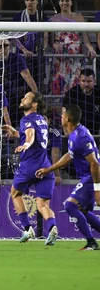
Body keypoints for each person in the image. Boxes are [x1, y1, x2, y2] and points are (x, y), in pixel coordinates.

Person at [36, 105, 100, 251]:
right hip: (88, 176)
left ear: (68, 118)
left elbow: (95, 165)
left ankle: (91, 242)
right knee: (83, 211)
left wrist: (97, 190)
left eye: (63, 114)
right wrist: (49, 169)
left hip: (91, 177)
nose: (61, 116)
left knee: (70, 206)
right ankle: (92, 242)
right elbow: (69, 156)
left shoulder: (80, 137)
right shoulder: (75, 134)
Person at [2, 92, 57, 244]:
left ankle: (27, 229)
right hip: (45, 166)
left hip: (29, 166)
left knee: (15, 193)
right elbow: (31, 134)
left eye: (26, 98)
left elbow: (30, 135)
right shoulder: (42, 120)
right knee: (42, 204)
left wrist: (25, 144)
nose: (22, 99)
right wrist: (16, 133)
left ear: (34, 104)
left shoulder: (26, 119)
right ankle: (52, 226)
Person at [46, 0, 96, 98]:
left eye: (67, 0)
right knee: (58, 87)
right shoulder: (53, 19)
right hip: (60, 59)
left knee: (75, 87)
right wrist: (54, 45)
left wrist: (91, 49)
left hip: (76, 59)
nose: (65, 3)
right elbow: (49, 41)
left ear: (71, 2)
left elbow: (85, 38)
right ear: (59, 3)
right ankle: (59, 114)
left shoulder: (79, 17)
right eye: (62, 0)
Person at [63, 69, 100, 135]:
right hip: (76, 134)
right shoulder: (72, 93)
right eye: (83, 81)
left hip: (96, 133)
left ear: (94, 82)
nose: (86, 84)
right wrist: (68, 134)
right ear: (79, 81)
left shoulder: (98, 92)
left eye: (89, 81)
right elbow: (64, 113)